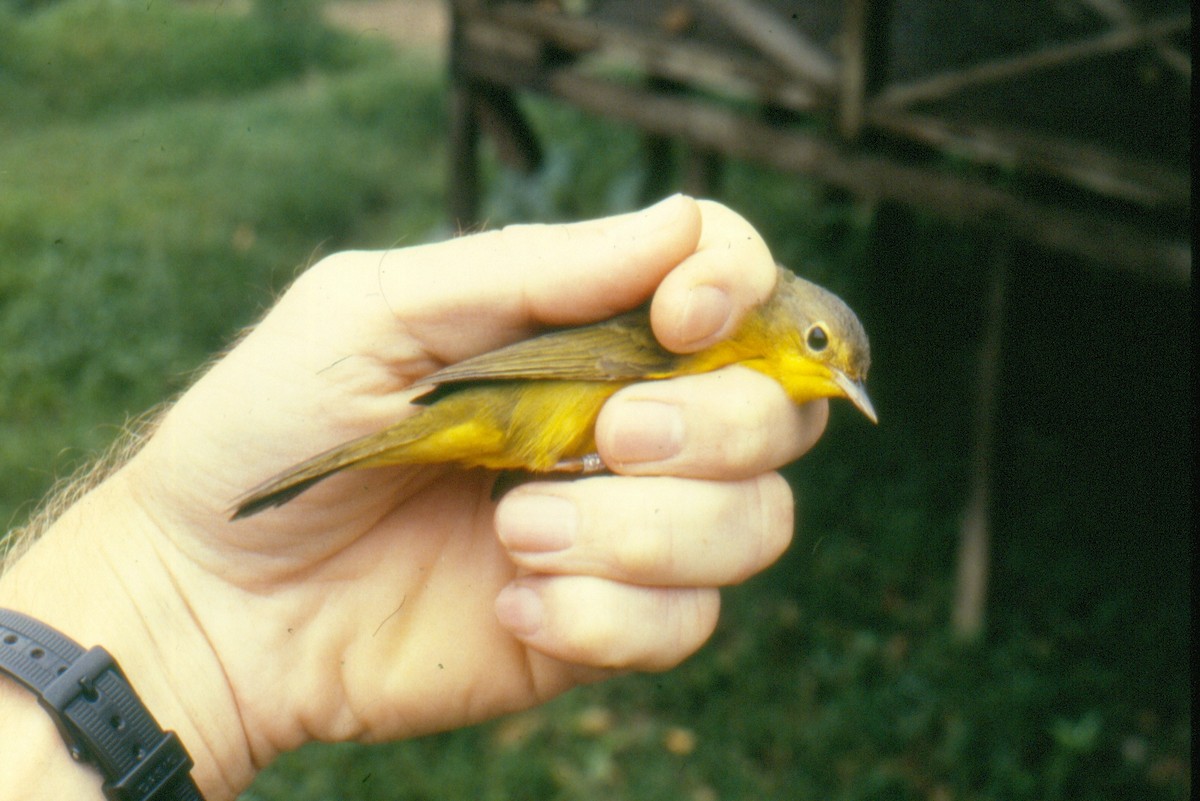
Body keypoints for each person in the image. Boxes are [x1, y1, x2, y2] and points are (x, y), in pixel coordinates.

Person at [0, 196, 829, 800]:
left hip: (515, 427)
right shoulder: (711, 330)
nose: (825, 373)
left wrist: (187, 617)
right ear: (792, 323)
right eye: (822, 347)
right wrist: (175, 574)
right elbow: (581, 360)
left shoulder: (725, 356)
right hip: (517, 406)